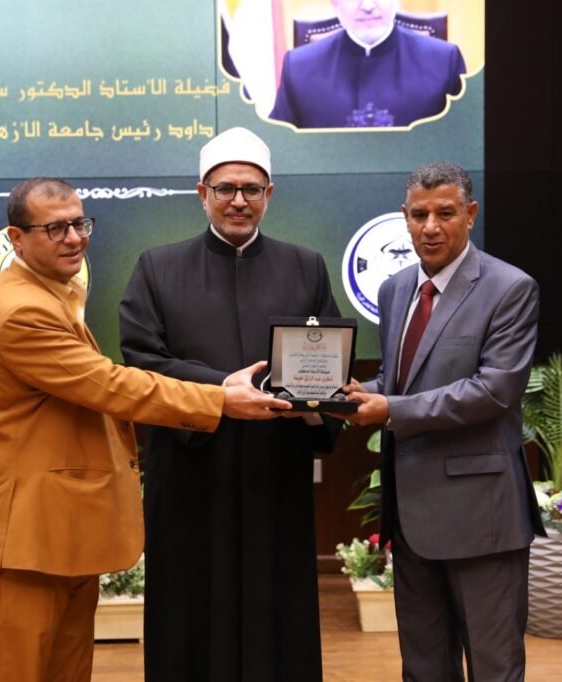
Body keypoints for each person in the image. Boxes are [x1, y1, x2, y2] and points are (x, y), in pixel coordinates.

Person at [0, 176, 291, 682]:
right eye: (55, 229)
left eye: (79, 224)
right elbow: (110, 386)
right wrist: (221, 398)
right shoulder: (21, 311)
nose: (74, 238)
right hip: (20, 539)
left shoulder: (51, 294)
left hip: (54, 533)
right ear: (17, 239)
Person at [118, 127, 341, 682]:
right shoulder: (157, 267)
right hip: (191, 476)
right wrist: (222, 390)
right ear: (202, 194)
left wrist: (318, 400)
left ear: (270, 194)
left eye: (251, 189)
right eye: (225, 189)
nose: (238, 200)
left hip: (275, 475)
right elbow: (142, 362)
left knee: (277, 620)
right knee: (189, 620)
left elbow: (328, 361)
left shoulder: (306, 266)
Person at [340, 162, 544, 681]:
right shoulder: (395, 289)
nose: (430, 227)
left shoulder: (509, 288)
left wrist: (391, 409)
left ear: (470, 214)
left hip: (482, 520)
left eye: (445, 214)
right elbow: (400, 378)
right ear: (404, 217)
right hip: (412, 519)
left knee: (494, 669)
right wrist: (363, 393)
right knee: (424, 668)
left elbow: (493, 391)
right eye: (419, 215)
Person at [269, 0, 466, 128]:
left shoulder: (444, 61)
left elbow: (466, 141)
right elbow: (280, 146)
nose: (368, 6)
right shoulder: (299, 68)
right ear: (334, 3)